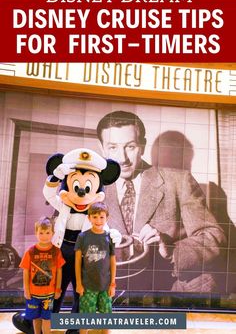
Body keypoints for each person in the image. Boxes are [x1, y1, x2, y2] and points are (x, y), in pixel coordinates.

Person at [96, 110, 227, 292]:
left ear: (142, 145)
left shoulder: (179, 181)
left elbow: (214, 237)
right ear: (102, 147)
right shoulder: (88, 186)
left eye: (130, 146)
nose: (122, 158)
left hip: (168, 289)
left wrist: (172, 250)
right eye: (113, 147)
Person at [75, 202, 116, 334]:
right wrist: (79, 284)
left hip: (105, 286)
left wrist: (112, 284)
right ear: (89, 218)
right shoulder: (82, 237)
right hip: (87, 286)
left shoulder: (109, 238)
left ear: (107, 218)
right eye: (95, 217)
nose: (98, 220)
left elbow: (113, 261)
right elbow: (77, 262)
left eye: (101, 217)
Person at [19, 217, 65, 334]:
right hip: (33, 294)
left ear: (53, 233)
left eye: (47, 233)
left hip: (49, 295)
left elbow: (59, 271)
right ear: (36, 233)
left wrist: (58, 289)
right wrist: (26, 290)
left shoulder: (56, 251)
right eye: (41, 233)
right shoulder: (30, 251)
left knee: (47, 319)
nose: (44, 236)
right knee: (36, 318)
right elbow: (25, 271)